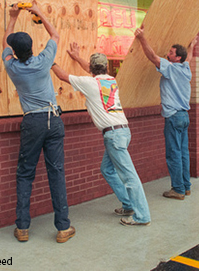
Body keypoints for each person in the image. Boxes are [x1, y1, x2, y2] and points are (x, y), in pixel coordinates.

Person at [51, 42, 151, 226]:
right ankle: (128, 205)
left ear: (92, 69)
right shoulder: (111, 80)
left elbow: (63, 76)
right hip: (122, 132)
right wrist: (77, 57)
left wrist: (49, 59)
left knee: (130, 177)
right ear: (105, 67)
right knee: (107, 169)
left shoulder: (90, 83)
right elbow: (91, 70)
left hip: (114, 136)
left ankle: (141, 216)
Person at [2, 3, 75, 243]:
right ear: (32, 48)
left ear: (15, 52)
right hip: (53, 119)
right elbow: (55, 35)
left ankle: (22, 228)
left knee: (25, 173)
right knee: (56, 173)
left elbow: (5, 44)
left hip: (32, 122)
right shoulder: (44, 60)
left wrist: (12, 18)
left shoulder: (12, 66)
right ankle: (63, 228)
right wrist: (39, 12)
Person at [134, 28, 197, 200]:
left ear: (177, 58)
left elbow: (152, 57)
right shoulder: (185, 68)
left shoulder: (171, 68)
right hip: (184, 116)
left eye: (171, 53)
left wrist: (142, 38)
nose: (167, 54)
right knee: (183, 152)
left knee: (174, 153)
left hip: (174, 117)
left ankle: (177, 190)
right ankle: (186, 187)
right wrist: (192, 46)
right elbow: (188, 57)